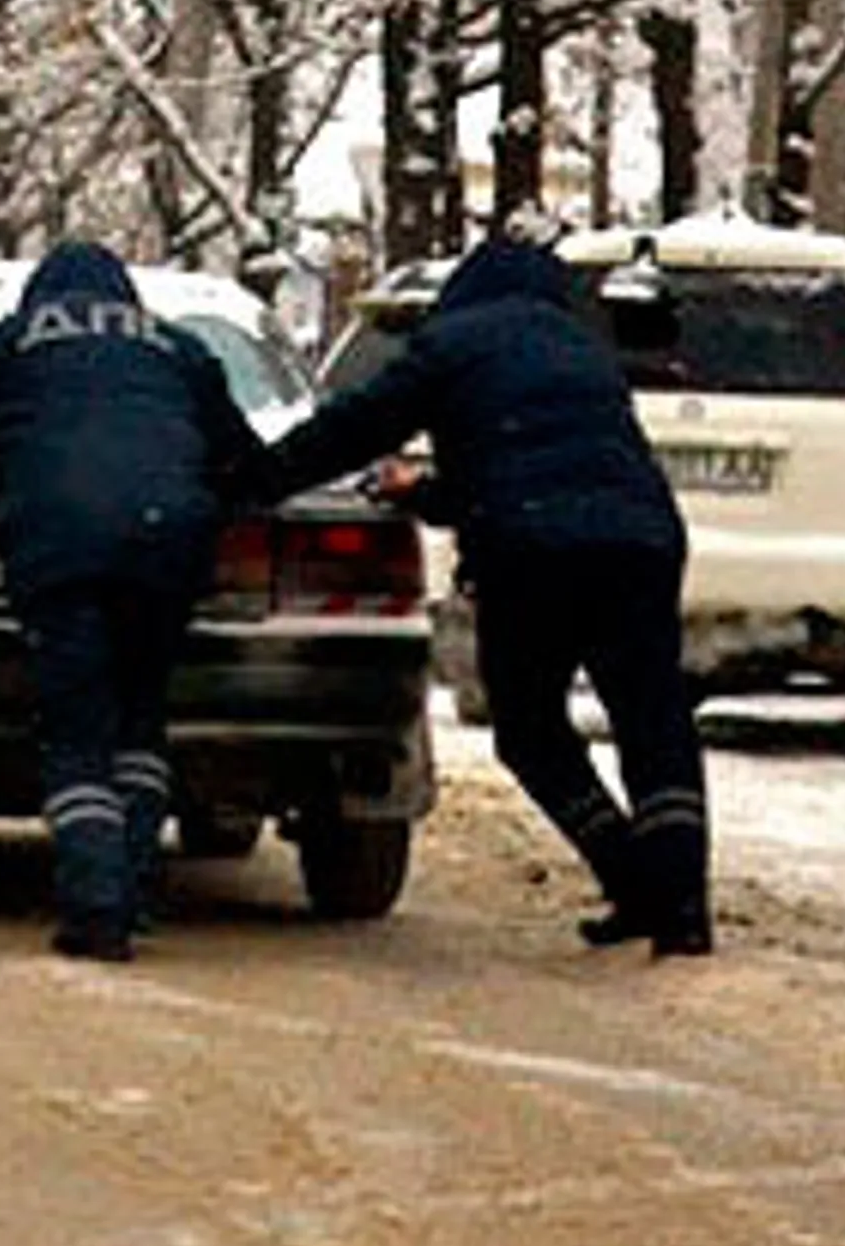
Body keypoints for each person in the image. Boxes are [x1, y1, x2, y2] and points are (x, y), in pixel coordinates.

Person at [237, 222, 714, 959]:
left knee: (529, 728)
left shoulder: (452, 344)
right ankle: (680, 907)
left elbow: (353, 429)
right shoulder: (582, 348)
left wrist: (254, 481)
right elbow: (541, 459)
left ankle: (627, 871)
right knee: (653, 719)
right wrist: (430, 490)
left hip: (529, 551)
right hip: (641, 539)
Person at [0, 242, 256, 963]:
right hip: (169, 546)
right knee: (139, 718)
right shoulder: (180, 347)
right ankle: (130, 890)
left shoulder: (14, 343)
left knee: (77, 728)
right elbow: (239, 458)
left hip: (58, 544)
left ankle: (96, 909)